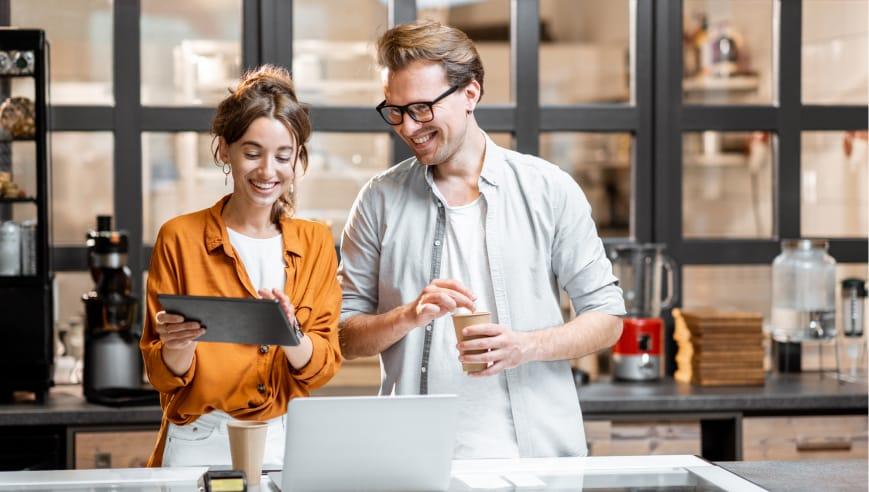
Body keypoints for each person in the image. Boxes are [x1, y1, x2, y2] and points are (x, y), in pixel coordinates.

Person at [338, 20, 625, 459]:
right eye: (395, 111)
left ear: (470, 93)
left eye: (422, 108)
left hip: (535, 463)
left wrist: (525, 345)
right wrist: (406, 316)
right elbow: (343, 335)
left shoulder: (548, 189)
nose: (408, 127)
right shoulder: (379, 200)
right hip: (414, 462)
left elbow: (607, 317)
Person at [140, 65, 342, 467]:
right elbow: (161, 375)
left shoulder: (316, 241)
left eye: (283, 156)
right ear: (224, 150)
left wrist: (290, 332)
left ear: (298, 159)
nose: (267, 171)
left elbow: (320, 369)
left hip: (283, 440)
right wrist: (179, 345)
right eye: (252, 153)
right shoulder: (179, 237)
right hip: (198, 439)